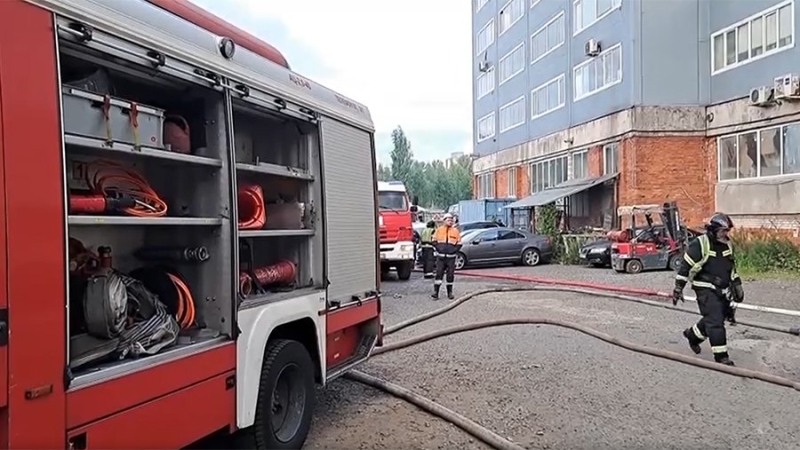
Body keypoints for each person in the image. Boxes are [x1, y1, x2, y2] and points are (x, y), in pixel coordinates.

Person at [673, 213, 743, 366]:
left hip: (721, 289)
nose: (725, 234)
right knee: (716, 321)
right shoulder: (700, 244)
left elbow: (730, 267)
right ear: (713, 230)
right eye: (723, 231)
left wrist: (737, 284)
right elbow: (685, 266)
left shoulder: (726, 244)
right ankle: (721, 357)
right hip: (704, 288)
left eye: (727, 231)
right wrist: (678, 288)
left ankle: (692, 335)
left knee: (717, 316)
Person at [431, 213, 461, 300]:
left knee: (450, 275)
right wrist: (438, 248)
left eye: (451, 220)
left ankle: (450, 293)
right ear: (444, 221)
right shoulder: (439, 230)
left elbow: (459, 243)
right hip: (440, 257)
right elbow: (433, 241)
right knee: (438, 274)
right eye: (448, 220)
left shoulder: (455, 231)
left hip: (451, 258)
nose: (450, 221)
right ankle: (436, 293)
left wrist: (454, 250)